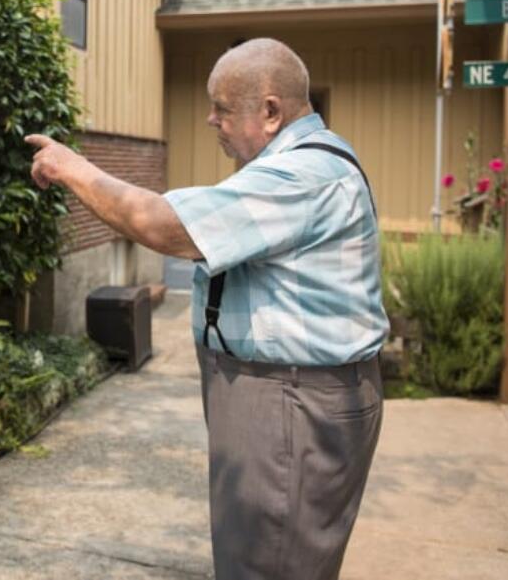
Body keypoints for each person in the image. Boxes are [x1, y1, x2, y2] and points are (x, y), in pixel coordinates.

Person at [25, 37, 387, 580]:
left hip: (290, 404)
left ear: (270, 111)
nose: (209, 120)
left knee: (267, 564)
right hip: (287, 396)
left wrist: (72, 167)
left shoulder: (301, 178)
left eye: (222, 108)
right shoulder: (306, 163)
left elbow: (163, 225)